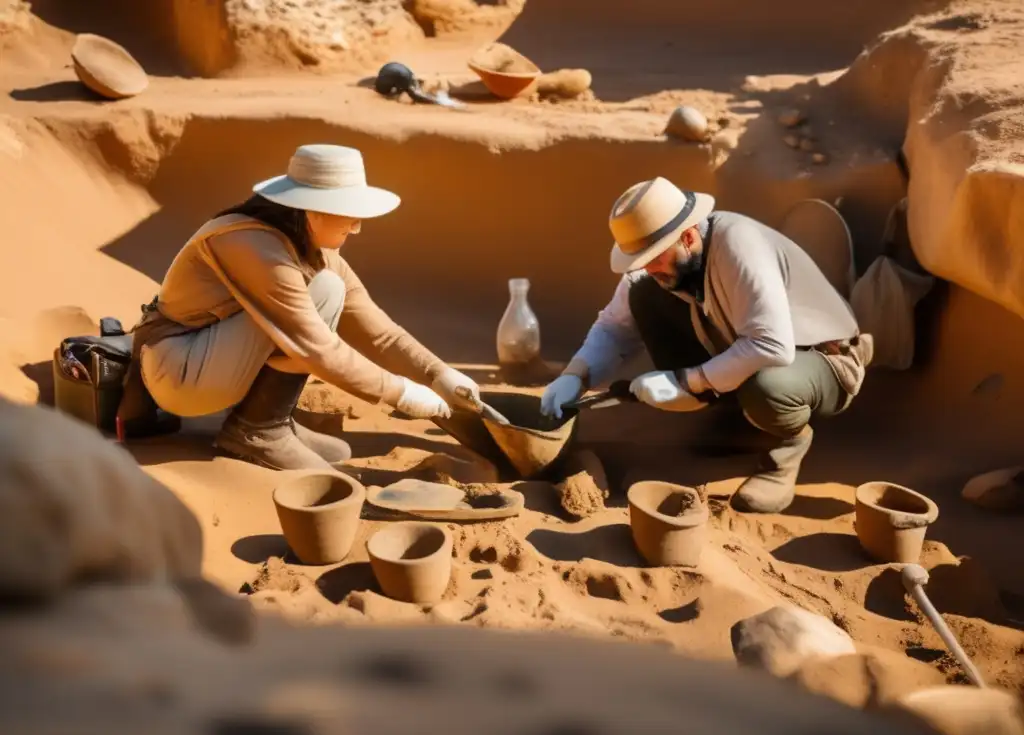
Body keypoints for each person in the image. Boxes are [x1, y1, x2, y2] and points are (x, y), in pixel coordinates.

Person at [126, 143, 481, 471]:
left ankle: (271, 420)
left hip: (214, 360)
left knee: (329, 287)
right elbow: (317, 347)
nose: (357, 227)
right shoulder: (254, 245)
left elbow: (381, 333)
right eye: (349, 214)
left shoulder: (311, 249)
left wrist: (439, 375)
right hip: (179, 372)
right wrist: (399, 393)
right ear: (312, 211)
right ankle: (257, 431)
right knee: (322, 292)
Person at [540, 177, 873, 514]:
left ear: (688, 236)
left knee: (767, 386)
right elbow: (614, 327)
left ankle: (785, 451)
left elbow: (773, 346)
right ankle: (731, 415)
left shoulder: (738, 245)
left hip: (826, 360)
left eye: (653, 257)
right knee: (644, 294)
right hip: (748, 347)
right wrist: (576, 375)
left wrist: (686, 382)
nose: (646, 266)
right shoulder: (663, 266)